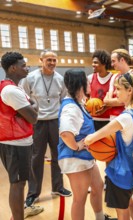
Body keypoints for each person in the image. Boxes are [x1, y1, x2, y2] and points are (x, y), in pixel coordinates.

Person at [85, 72, 133, 220]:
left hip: (120, 173)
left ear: (130, 91)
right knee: (130, 203)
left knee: (122, 212)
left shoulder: (125, 118)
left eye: (118, 89)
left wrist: (87, 141)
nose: (115, 92)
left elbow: (93, 137)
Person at [58, 69, 112, 220]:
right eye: (87, 82)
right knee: (79, 198)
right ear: (80, 84)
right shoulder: (71, 108)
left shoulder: (79, 103)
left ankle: (100, 217)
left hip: (84, 157)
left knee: (98, 186)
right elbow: (65, 133)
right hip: (74, 158)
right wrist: (77, 146)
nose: (90, 84)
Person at [20, 49, 71, 207]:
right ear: (41, 60)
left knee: (58, 156)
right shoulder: (30, 78)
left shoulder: (60, 79)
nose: (52, 63)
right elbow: (24, 98)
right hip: (38, 123)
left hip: (55, 121)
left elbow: (64, 100)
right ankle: (33, 193)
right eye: (48, 60)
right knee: (36, 158)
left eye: (54, 60)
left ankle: (58, 187)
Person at [0, 52, 43, 219]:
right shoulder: (11, 90)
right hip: (15, 144)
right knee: (17, 184)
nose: (27, 68)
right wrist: (33, 107)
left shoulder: (13, 87)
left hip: (19, 142)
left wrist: (33, 106)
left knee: (20, 182)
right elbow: (33, 117)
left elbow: (33, 107)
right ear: (13, 68)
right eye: (23, 65)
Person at [103, 48, 133, 121]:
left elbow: (129, 100)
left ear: (122, 60)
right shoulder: (114, 77)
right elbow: (106, 99)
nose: (112, 64)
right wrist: (115, 101)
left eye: (113, 61)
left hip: (128, 116)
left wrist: (111, 102)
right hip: (112, 117)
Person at [88, 49, 112, 130]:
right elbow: (86, 97)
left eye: (96, 62)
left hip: (108, 119)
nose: (93, 65)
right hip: (93, 119)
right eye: (93, 62)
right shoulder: (90, 77)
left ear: (104, 63)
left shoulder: (114, 78)